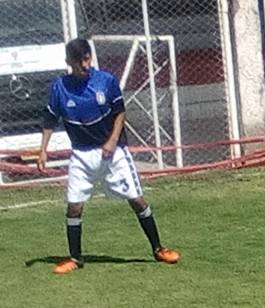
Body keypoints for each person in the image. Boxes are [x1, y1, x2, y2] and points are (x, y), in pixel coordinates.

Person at [37, 38, 180, 275]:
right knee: (74, 207)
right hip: (81, 157)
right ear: (69, 62)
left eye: (87, 57)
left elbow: (120, 112)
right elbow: (50, 120)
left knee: (137, 200)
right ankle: (75, 257)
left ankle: (158, 249)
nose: (85, 64)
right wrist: (43, 150)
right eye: (79, 60)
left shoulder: (106, 81)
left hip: (113, 154)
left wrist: (113, 140)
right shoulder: (59, 88)